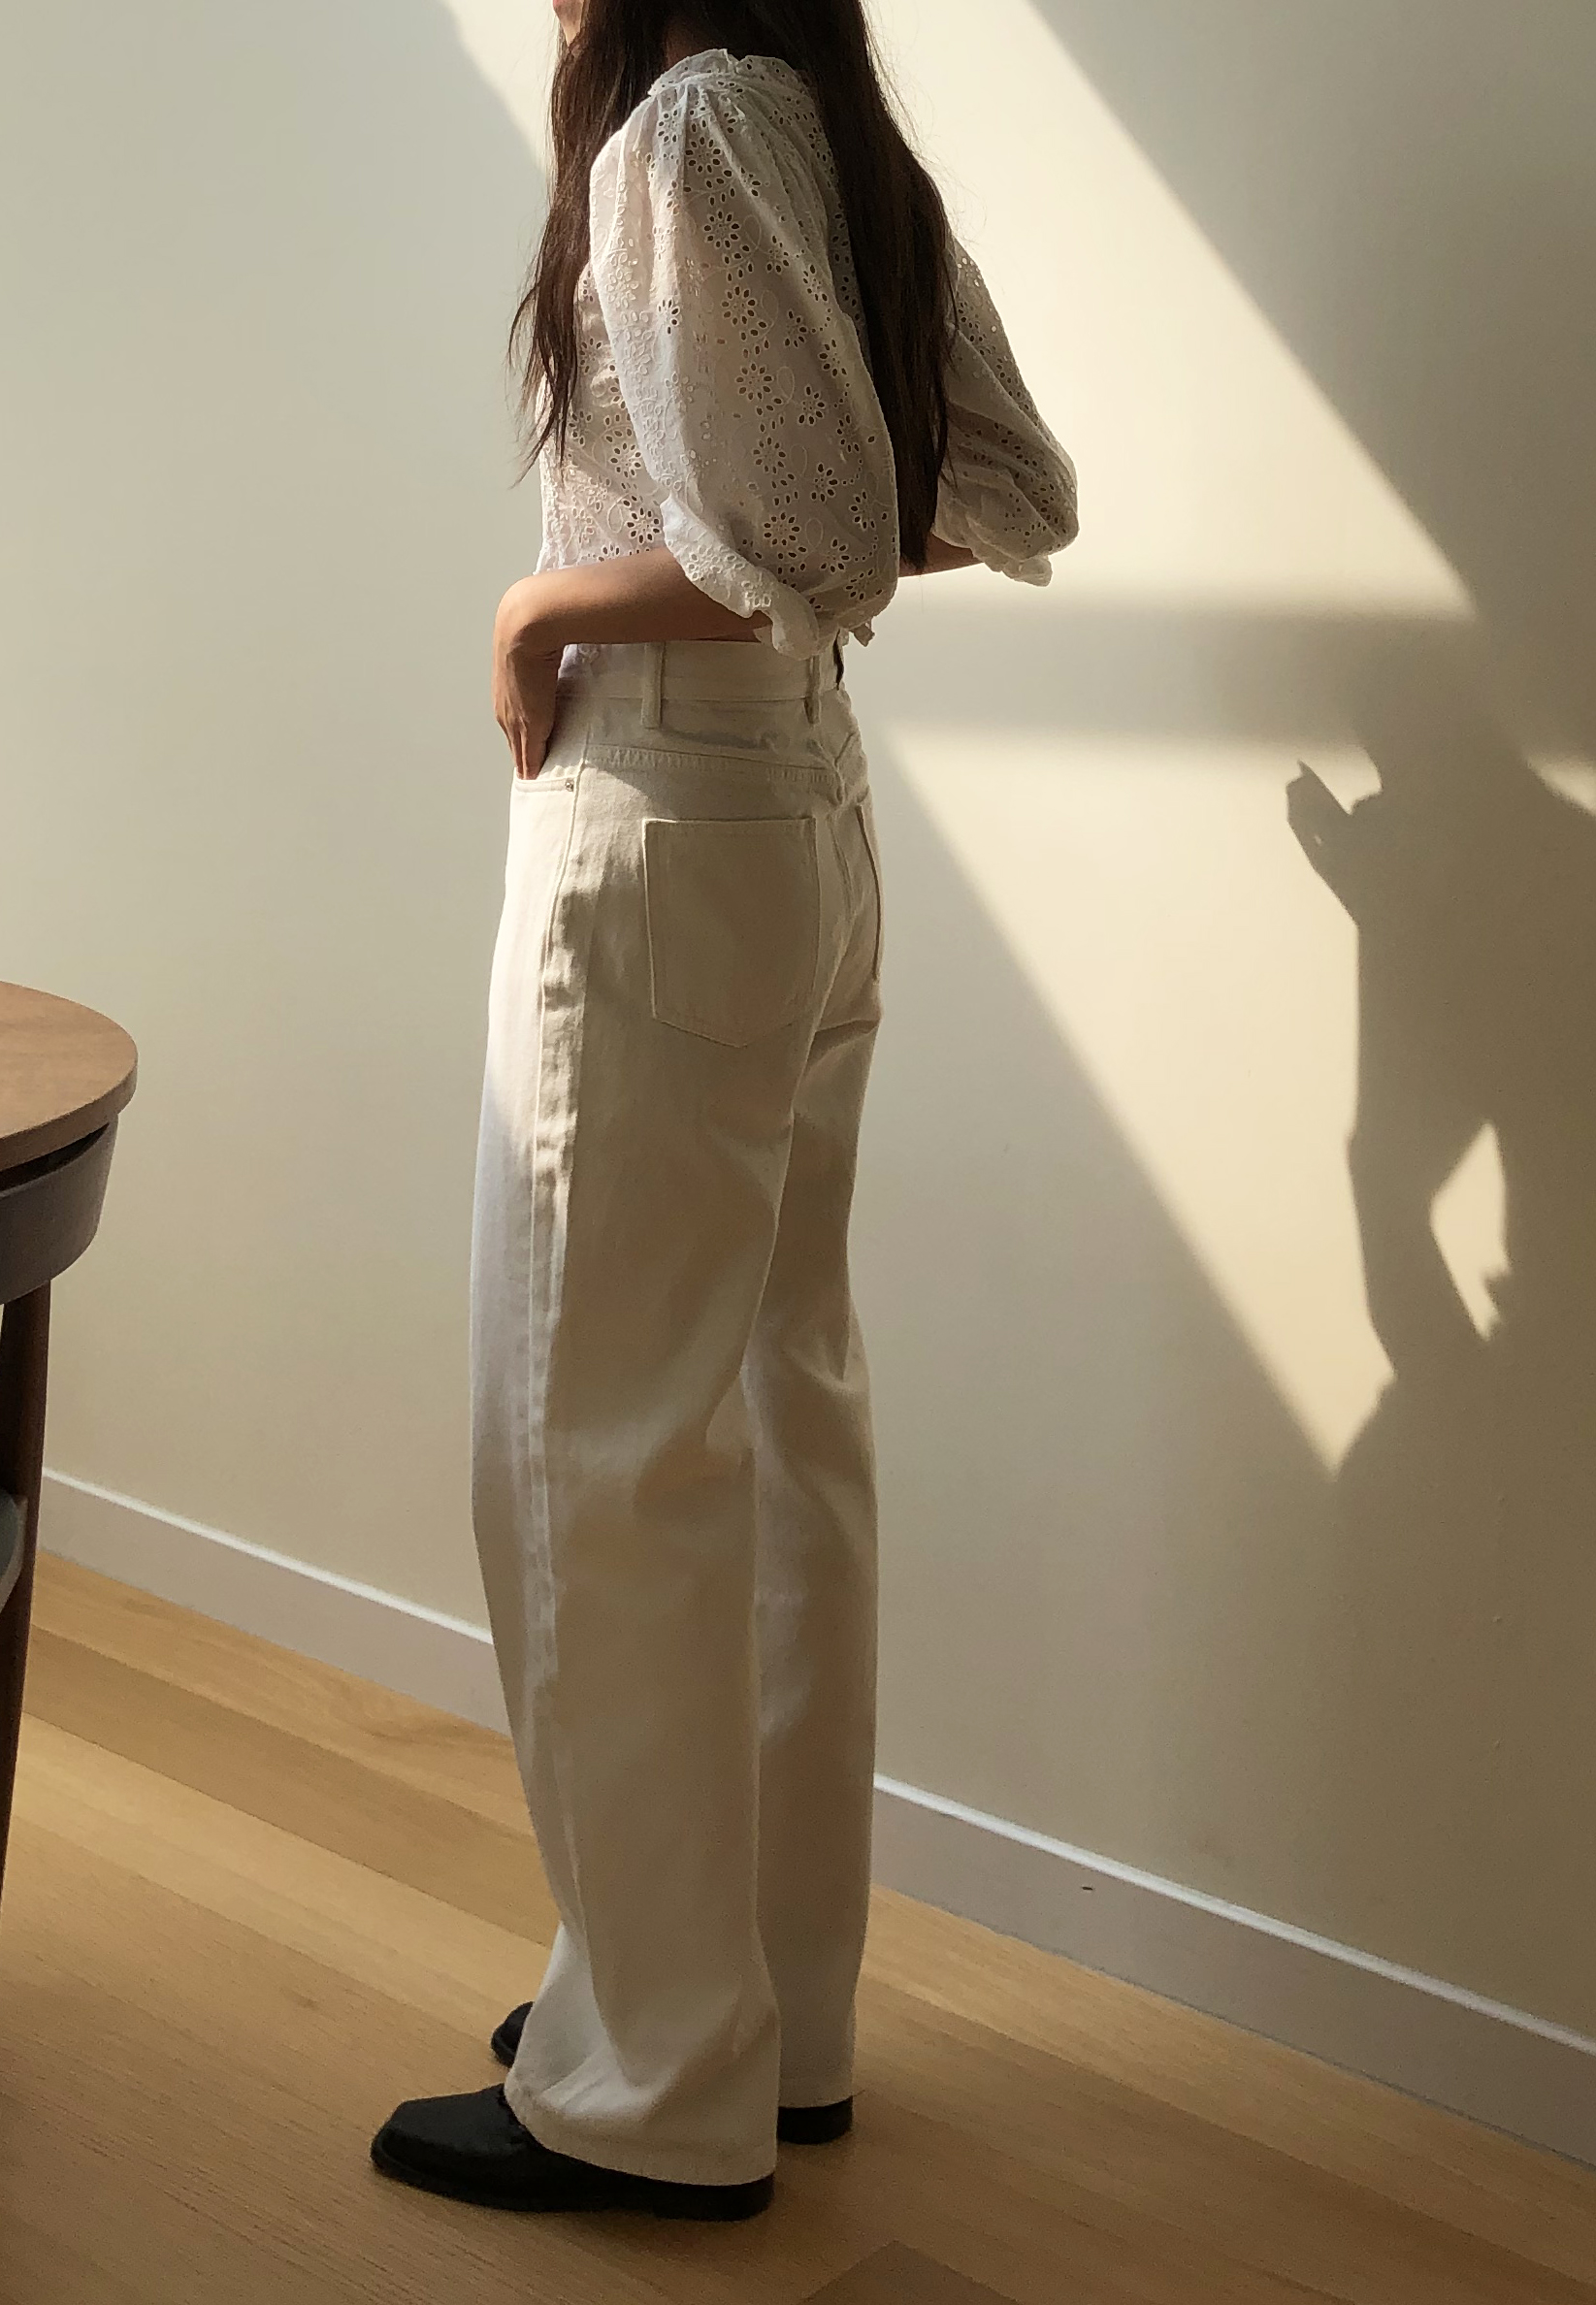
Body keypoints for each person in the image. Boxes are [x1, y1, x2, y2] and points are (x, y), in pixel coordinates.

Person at [371, 0, 1076, 2222]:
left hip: (665, 822)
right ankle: (770, 2015)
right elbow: (995, 486)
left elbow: (820, 534)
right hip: (802, 823)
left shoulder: (684, 134)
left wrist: (541, 604)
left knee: (587, 1450)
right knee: (778, 1421)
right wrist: (741, 570)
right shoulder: (828, 125)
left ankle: (656, 2078)